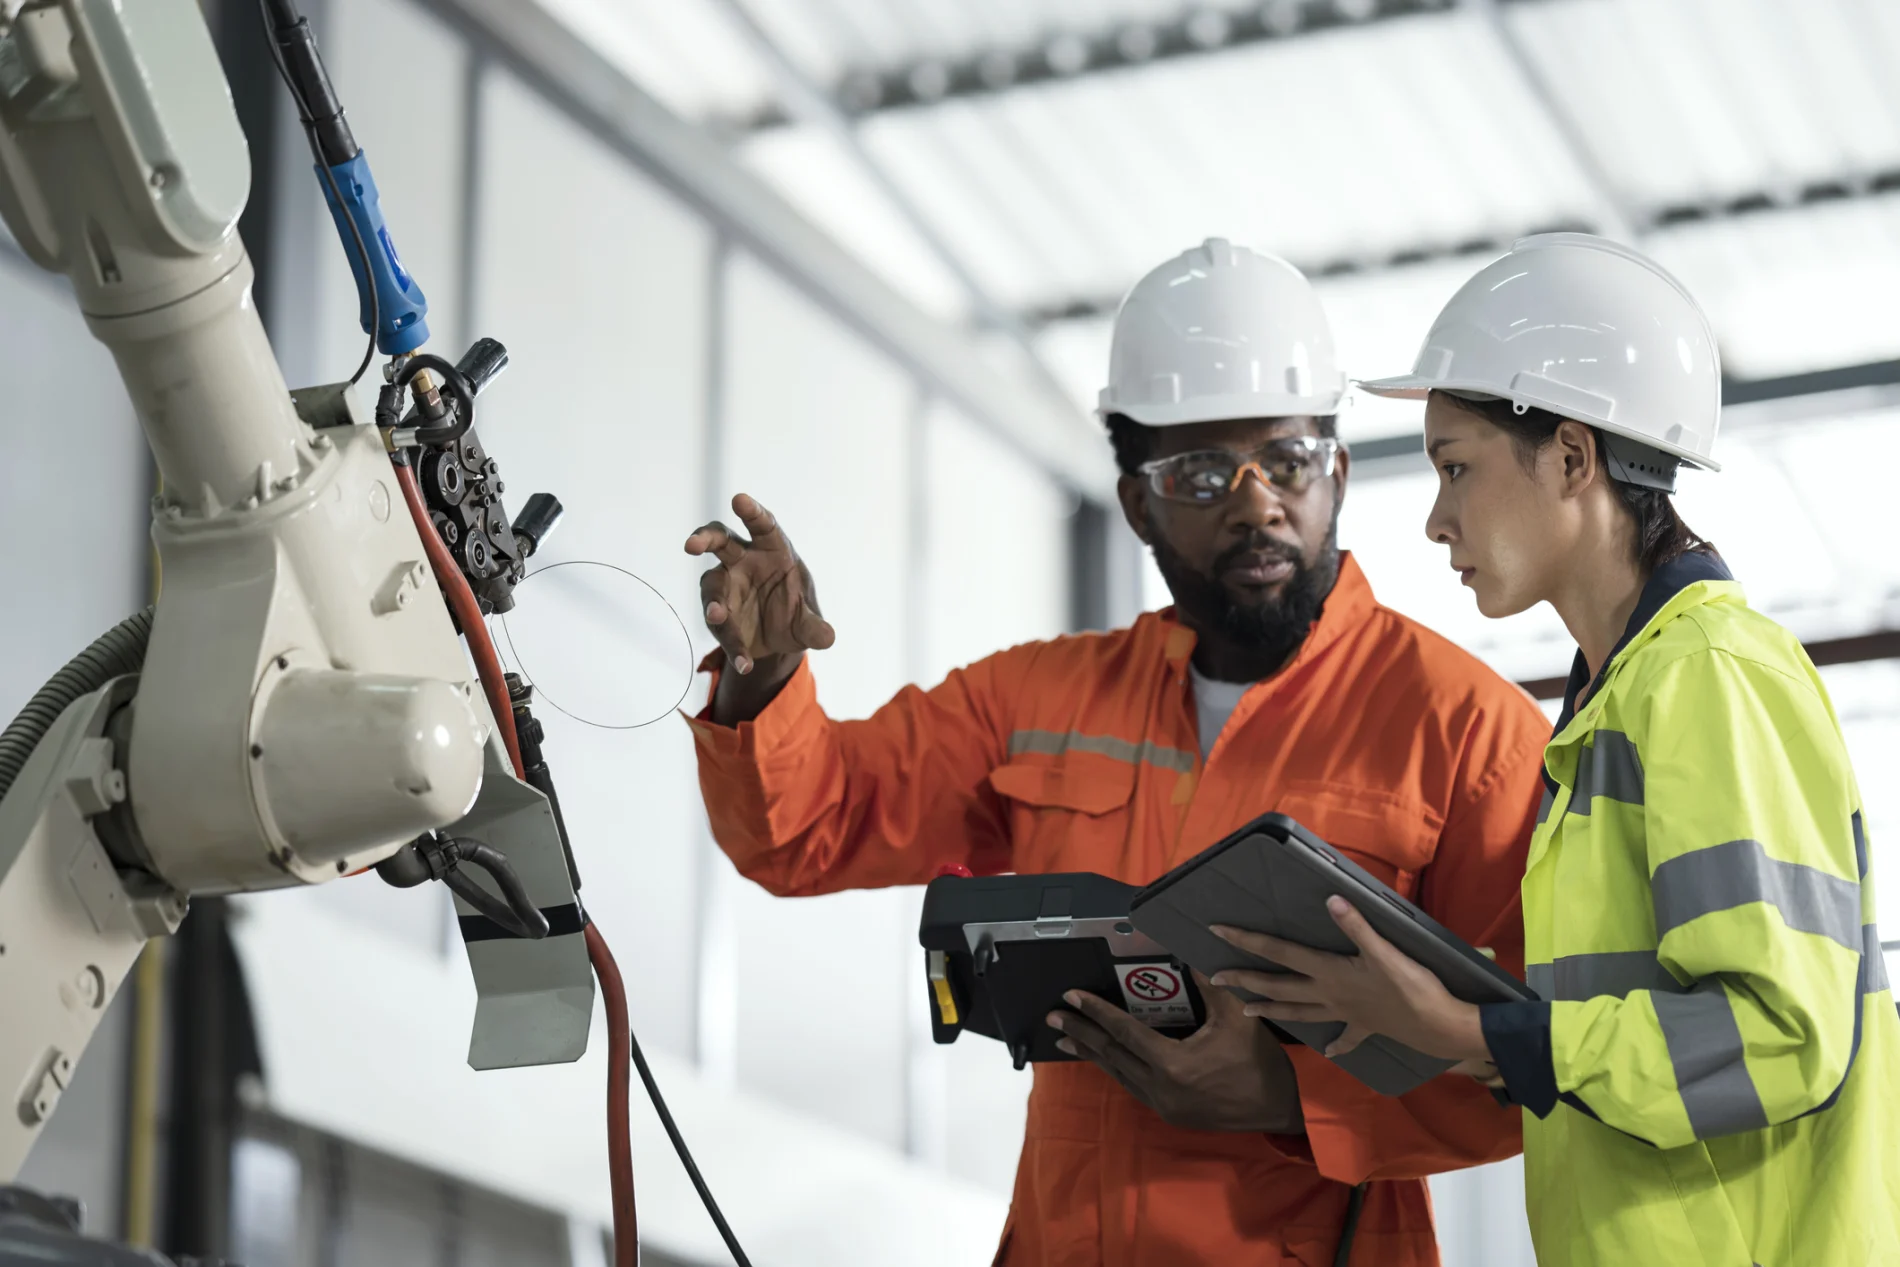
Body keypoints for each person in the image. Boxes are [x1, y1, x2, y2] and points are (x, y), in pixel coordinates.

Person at [682, 239, 1551, 1266]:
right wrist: (763, 678)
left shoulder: (1469, 735)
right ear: (1137, 502)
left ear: (1339, 474)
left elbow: (1535, 1069)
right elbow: (806, 828)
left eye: (1287, 461)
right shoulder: (1038, 698)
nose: (1255, 502)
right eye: (1198, 472)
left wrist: (1285, 1095)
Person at [1213, 233, 1900, 1265]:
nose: (1438, 520)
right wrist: (1440, 1019)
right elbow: (1632, 1040)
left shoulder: (1709, 674)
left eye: (1456, 468)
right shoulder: (1614, 704)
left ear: (1572, 457)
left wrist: (1474, 1032)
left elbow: (1779, 1037)